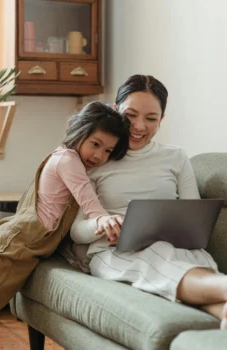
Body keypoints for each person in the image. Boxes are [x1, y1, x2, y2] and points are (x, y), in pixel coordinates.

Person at [70, 74, 227, 330]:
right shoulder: (98, 158)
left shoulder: (175, 157)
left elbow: (195, 218)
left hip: (176, 246)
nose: (138, 126)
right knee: (158, 256)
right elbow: (76, 232)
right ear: (115, 109)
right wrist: (102, 223)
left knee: (174, 255)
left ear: (161, 119)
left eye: (151, 118)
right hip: (115, 252)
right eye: (130, 115)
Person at [0, 101, 130, 324]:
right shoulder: (68, 161)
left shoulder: (65, 157)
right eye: (95, 144)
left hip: (28, 243)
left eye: (107, 151)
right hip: (22, 242)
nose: (99, 155)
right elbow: (88, 201)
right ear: (79, 132)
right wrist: (104, 219)